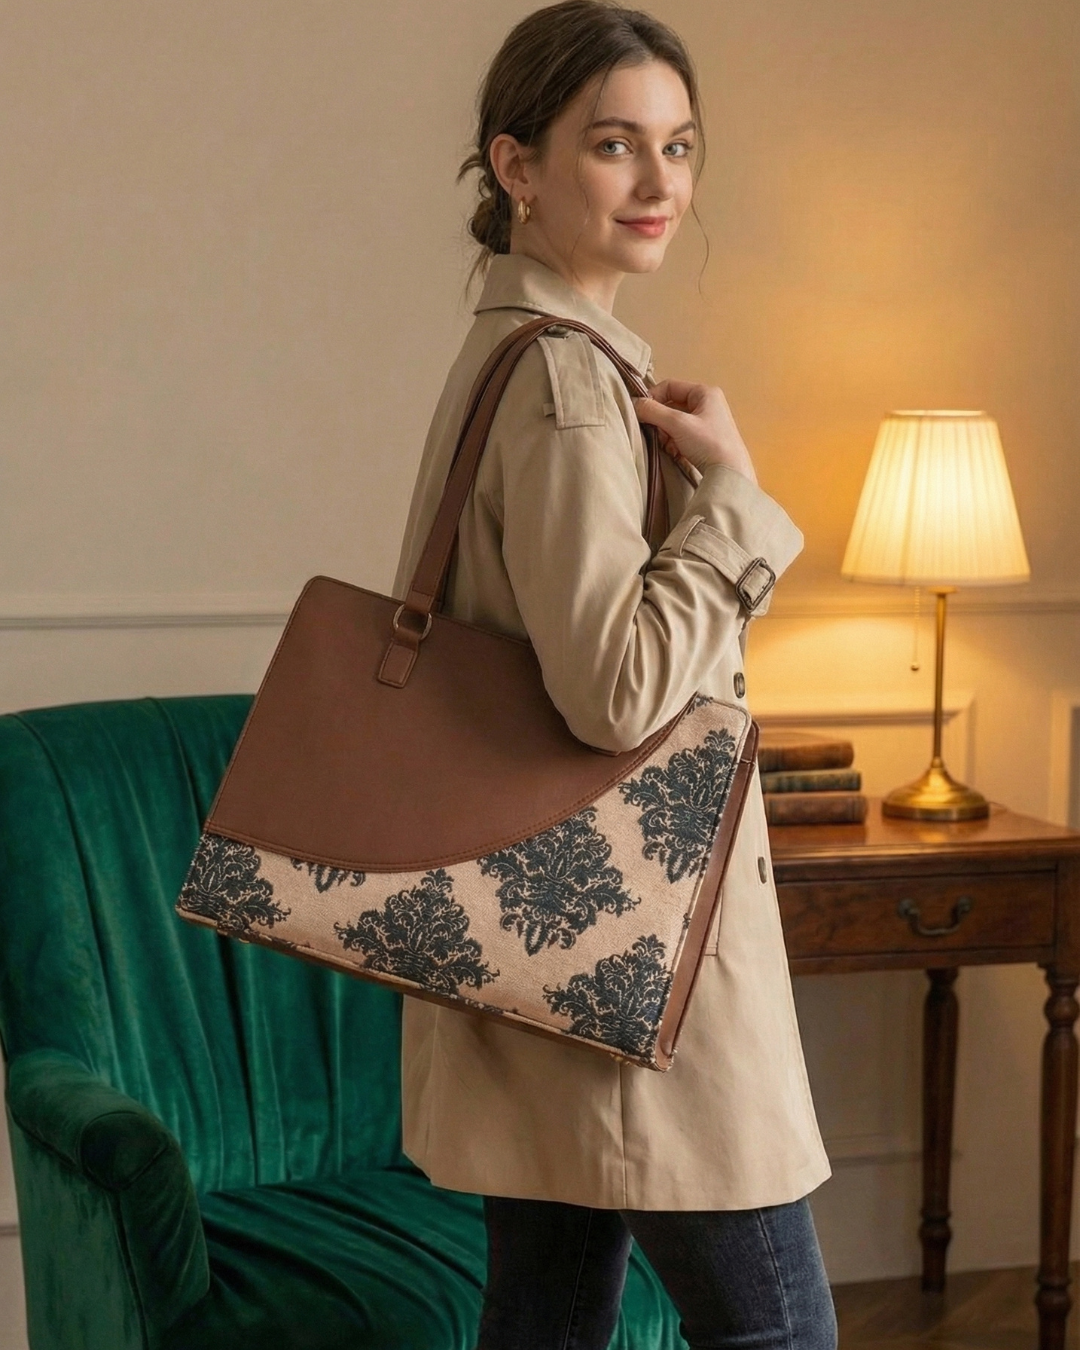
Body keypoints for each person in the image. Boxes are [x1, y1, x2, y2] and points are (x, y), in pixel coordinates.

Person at [391, 4, 836, 1347]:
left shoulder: (509, 358)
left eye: (680, 147)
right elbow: (616, 689)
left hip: (544, 962)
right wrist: (740, 502)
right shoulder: (572, 389)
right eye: (615, 147)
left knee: (545, 1315)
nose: (661, 186)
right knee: (779, 1329)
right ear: (516, 165)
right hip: (642, 968)